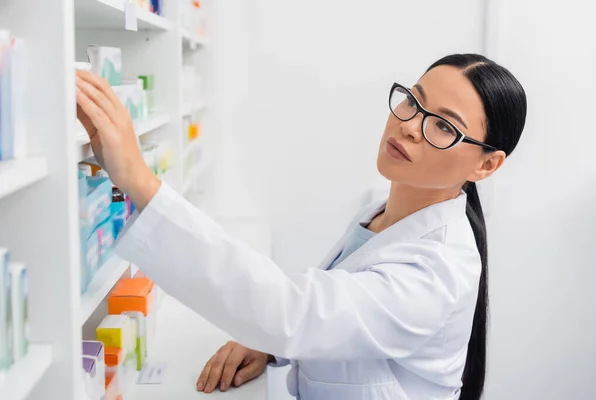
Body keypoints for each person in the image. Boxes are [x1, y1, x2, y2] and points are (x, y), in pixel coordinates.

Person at [75, 53, 527, 400]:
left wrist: (139, 180)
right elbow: (333, 317)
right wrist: (278, 345)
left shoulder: (439, 271)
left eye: (444, 126)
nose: (410, 126)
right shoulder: (381, 211)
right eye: (413, 101)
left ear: (487, 164)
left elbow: (296, 311)